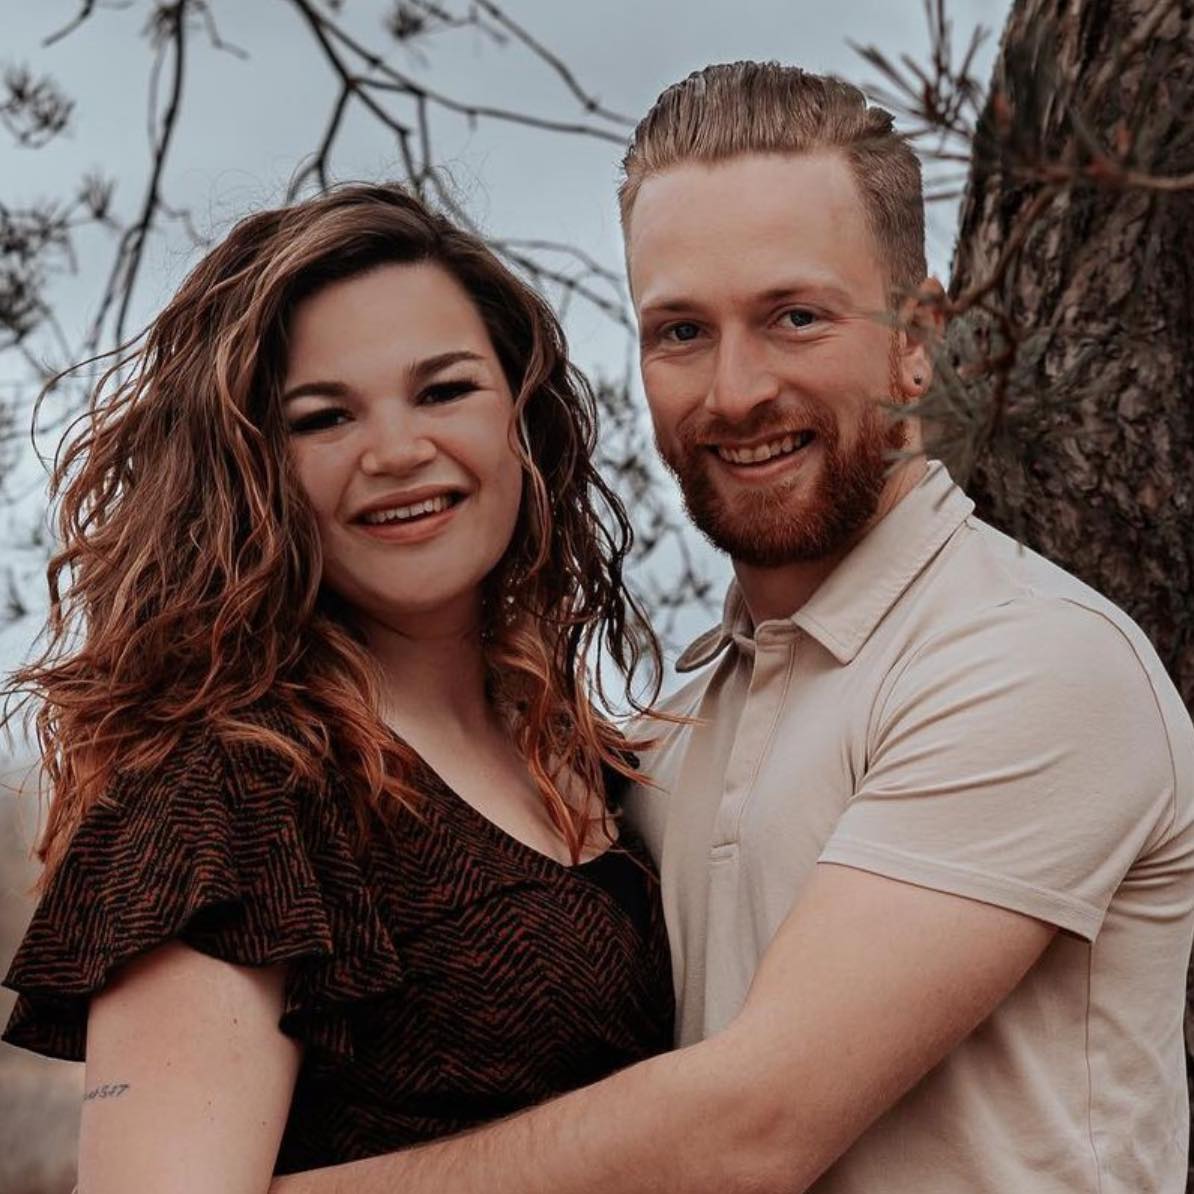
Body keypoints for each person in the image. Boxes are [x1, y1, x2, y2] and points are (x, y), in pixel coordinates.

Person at [250, 63, 1194, 1194]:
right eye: (682, 331)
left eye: (796, 318)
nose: (736, 391)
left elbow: (752, 1129)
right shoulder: (668, 734)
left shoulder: (1028, 662)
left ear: (919, 337)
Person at [0, 183, 675, 1188]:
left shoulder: (586, 756)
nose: (397, 453)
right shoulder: (232, 791)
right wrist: (697, 1122)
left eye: (444, 391)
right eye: (323, 418)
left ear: (522, 418)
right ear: (251, 471)